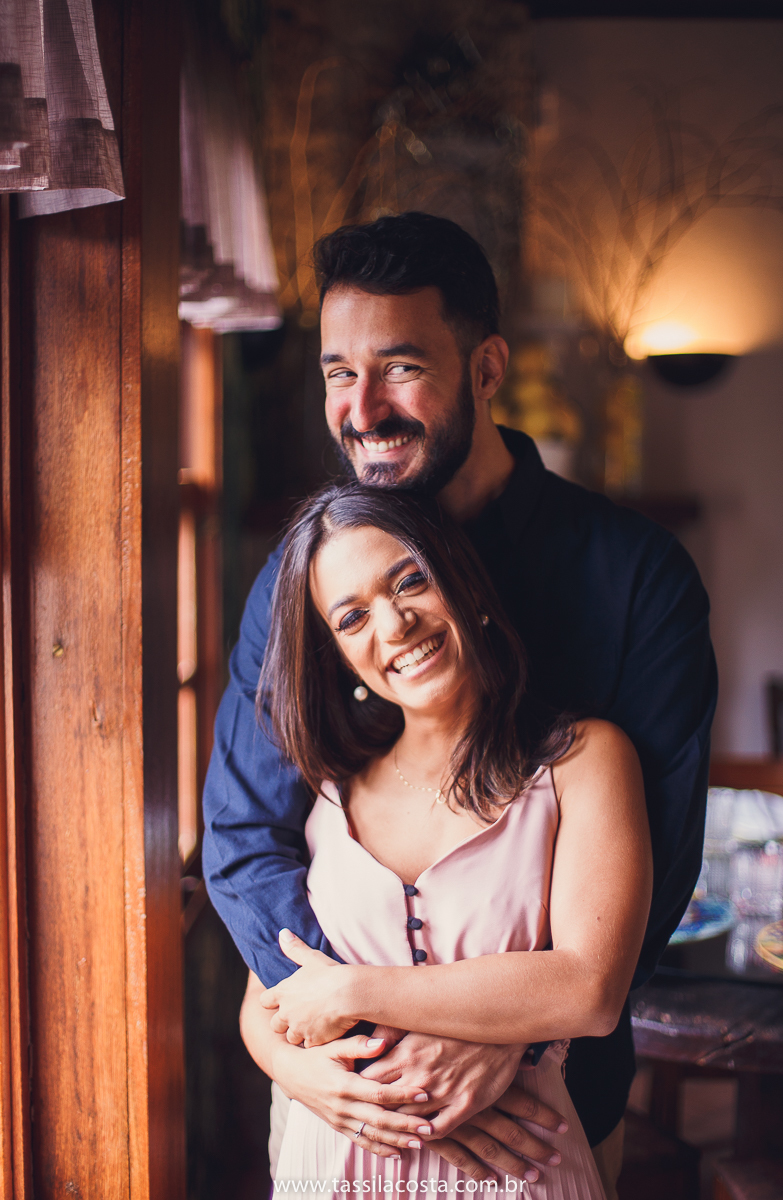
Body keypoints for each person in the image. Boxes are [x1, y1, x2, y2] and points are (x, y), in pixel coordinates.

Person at [203, 212, 717, 1197]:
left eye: (398, 367)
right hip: (344, 1108)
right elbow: (241, 836)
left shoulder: (637, 578)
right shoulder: (299, 583)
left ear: (485, 370)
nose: (362, 407)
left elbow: (651, 872)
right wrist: (360, 1053)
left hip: (536, 1122)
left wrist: (518, 1044)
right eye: (335, 373)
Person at [241, 481, 652, 1198]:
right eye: (352, 617)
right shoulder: (326, 789)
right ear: (337, 655)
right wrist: (306, 1077)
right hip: (331, 1163)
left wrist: (354, 990)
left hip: (517, 1172)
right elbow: (266, 1001)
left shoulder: (584, 760)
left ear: (467, 586)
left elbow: (590, 988)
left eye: (411, 580)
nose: (394, 625)